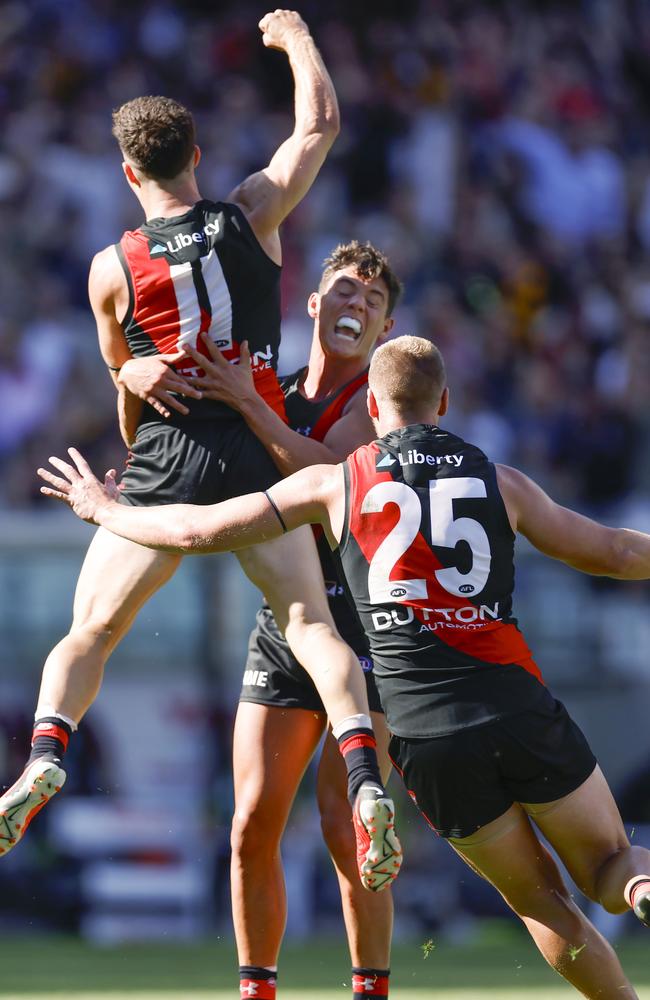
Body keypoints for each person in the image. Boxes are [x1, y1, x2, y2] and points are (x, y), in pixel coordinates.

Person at [41, 335, 650, 999]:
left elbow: (199, 529)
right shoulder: (500, 481)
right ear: (443, 402)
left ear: (372, 402)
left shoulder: (335, 482)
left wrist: (104, 509)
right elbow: (614, 553)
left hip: (425, 732)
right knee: (608, 867)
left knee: (540, 901)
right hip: (515, 703)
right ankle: (641, 886)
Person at [0, 10, 403, 902]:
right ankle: (368, 775)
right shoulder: (254, 213)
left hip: (164, 462)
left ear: (129, 171)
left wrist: (133, 409)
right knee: (310, 626)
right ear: (196, 154)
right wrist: (295, 37)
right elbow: (319, 126)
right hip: (258, 458)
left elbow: (122, 377)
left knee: (91, 633)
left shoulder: (112, 266)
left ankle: (44, 752)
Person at [181, 240, 402, 1000]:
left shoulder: (377, 398)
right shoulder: (271, 377)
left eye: (374, 301)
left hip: (365, 632)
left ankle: (370, 989)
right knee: (249, 826)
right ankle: (257, 990)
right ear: (313, 302)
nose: (358, 305)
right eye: (346, 290)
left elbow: (322, 473)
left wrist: (243, 399)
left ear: (386, 328)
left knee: (348, 829)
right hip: (288, 625)